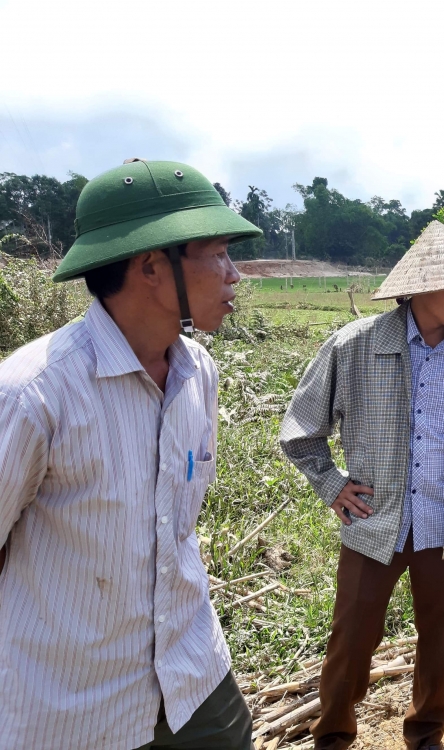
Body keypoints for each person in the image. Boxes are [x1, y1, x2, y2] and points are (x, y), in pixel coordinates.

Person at [0, 159, 262, 750]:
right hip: (73, 704)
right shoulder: (35, 393)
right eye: (217, 253)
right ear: (150, 265)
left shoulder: (199, 374)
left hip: (193, 673)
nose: (234, 274)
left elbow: (180, 528)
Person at [279, 220, 444, 750]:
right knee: (352, 638)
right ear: (417, 288)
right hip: (374, 524)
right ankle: (334, 735)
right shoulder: (356, 345)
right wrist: (331, 484)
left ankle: (427, 732)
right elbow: (300, 430)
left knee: (441, 638)